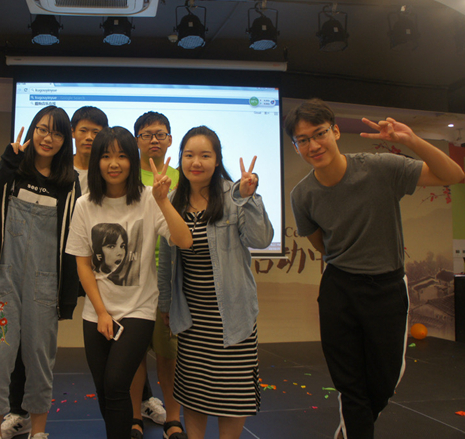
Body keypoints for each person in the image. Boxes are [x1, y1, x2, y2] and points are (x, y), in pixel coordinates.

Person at [285, 98, 465, 439]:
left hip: (387, 288)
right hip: (339, 289)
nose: (314, 145)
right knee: (350, 384)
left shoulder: (380, 167)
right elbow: (321, 244)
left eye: (320, 133)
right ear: (296, 147)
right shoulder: (302, 194)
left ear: (335, 131)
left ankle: (350, 430)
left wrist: (412, 141)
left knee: (384, 382)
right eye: (303, 140)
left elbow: (453, 175)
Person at [65, 126, 193, 439]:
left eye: (122, 155)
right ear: (96, 161)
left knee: (116, 383)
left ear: (132, 162)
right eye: (106, 156)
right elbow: (83, 264)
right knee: (104, 388)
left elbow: (184, 240)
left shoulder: (149, 198)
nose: (114, 163)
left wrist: (163, 201)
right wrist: (101, 311)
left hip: (138, 310)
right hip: (96, 312)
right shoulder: (85, 205)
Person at [158, 126, 273, 439]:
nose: (196, 162)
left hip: (233, 315)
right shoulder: (172, 199)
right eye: (189, 155)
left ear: (217, 159)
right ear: (180, 159)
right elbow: (167, 259)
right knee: (195, 393)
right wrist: (166, 304)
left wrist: (249, 198)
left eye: (205, 155)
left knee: (232, 395)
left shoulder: (234, 194)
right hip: (192, 317)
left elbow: (261, 239)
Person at [0, 105, 107, 439]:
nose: (89, 137)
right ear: (73, 134)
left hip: (88, 267)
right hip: (32, 270)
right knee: (14, 345)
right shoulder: (41, 171)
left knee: (43, 349)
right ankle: (17, 411)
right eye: (83, 130)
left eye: (96, 132)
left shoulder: (102, 171)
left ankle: (139, 403)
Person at [0, 105, 80, 439]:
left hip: (45, 289)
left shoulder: (70, 184)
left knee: (40, 361)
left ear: (64, 141)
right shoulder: (12, 171)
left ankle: (38, 432)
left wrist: (68, 295)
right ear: (33, 130)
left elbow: (75, 240)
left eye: (57, 133)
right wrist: (7, 161)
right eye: (42, 129)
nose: (48, 138)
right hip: (3, 284)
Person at [131, 111, 182, 439]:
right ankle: (134, 416)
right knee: (134, 353)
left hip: (171, 277)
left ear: (170, 140)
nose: (154, 140)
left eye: (160, 134)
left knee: (168, 354)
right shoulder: (125, 173)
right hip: (134, 276)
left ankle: (173, 419)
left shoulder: (182, 176)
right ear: (137, 140)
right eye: (147, 134)